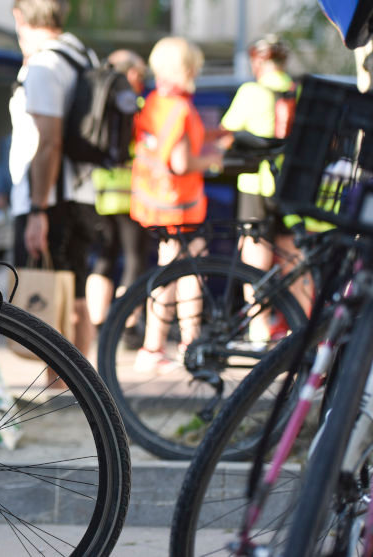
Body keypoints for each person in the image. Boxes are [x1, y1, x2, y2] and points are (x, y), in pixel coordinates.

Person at [9, 0, 101, 357]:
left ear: (20, 17)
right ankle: (78, 392)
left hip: (49, 197)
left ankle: (57, 387)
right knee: (75, 294)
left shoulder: (46, 65)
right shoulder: (81, 55)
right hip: (82, 192)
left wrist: (37, 211)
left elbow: (49, 142)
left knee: (51, 296)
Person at [130, 36, 224, 371]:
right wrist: (213, 160)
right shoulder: (182, 108)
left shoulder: (155, 101)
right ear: (184, 68)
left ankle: (164, 345)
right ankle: (174, 345)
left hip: (156, 201)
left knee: (172, 272)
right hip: (182, 204)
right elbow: (183, 163)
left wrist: (213, 136)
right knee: (187, 274)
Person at [220, 35, 310, 342]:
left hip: (255, 186)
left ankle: (259, 334)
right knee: (293, 258)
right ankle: (301, 333)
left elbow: (228, 134)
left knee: (254, 263)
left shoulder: (251, 91)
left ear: (258, 61)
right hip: (291, 186)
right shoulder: (298, 92)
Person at [86, 49, 149, 333]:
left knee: (103, 257)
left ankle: (98, 323)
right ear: (132, 73)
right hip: (128, 193)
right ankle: (126, 326)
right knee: (134, 258)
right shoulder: (131, 103)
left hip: (98, 191)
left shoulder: (97, 95)